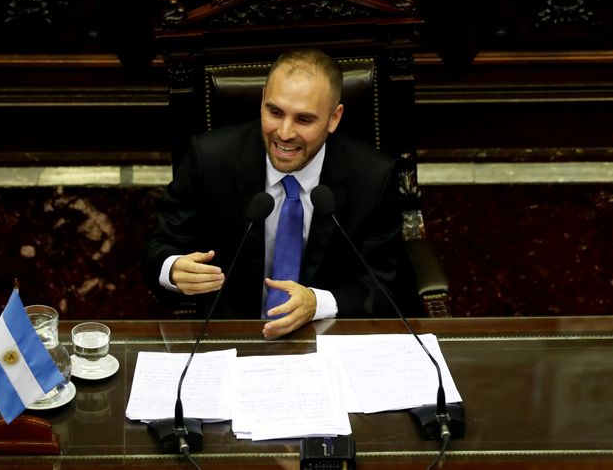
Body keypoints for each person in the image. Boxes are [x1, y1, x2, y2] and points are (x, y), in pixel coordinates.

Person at [143, 48, 418, 338]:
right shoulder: (210, 158)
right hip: (232, 335)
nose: (284, 133)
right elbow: (160, 245)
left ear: (334, 118)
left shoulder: (373, 177)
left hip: (325, 337)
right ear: (262, 101)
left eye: (304, 119)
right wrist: (173, 269)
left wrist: (317, 302)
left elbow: (383, 283)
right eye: (274, 112)